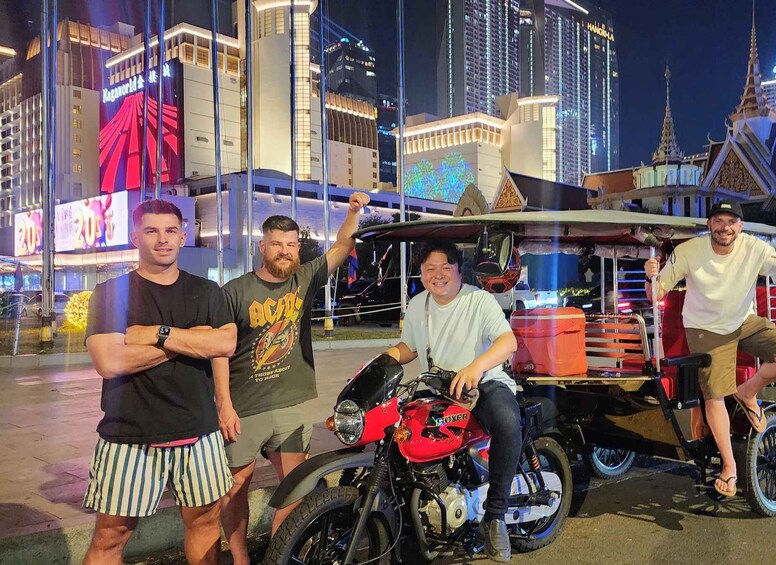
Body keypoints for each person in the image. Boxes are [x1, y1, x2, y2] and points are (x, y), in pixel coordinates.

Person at [218, 192, 370, 565]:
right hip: (245, 408)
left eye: (290, 245)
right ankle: (239, 558)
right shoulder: (234, 291)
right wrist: (224, 404)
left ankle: (278, 553)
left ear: (298, 248)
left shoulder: (304, 279)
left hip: (291, 404)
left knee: (296, 486)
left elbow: (342, 245)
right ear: (262, 247)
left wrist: (353, 212)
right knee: (235, 488)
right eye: (276, 245)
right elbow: (218, 352)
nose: (284, 251)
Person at [83, 200, 237, 565]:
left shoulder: (207, 290)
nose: (162, 239)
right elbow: (109, 362)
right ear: (135, 237)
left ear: (183, 237)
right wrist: (193, 340)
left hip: (199, 430)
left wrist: (156, 333)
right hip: (129, 434)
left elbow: (225, 344)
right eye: (151, 231)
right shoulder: (111, 293)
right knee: (111, 535)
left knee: (205, 522)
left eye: (170, 231)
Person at [644, 201, 776, 498]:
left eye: (731, 221)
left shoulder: (754, 248)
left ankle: (747, 392)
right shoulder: (690, 251)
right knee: (715, 394)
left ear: (740, 226)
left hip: (744, 321)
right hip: (706, 328)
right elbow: (656, 293)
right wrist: (650, 275)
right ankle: (729, 467)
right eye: (718, 221)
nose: (725, 227)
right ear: (709, 225)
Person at [385, 242, 520, 562]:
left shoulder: (479, 300)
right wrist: (382, 361)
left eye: (446, 267)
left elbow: (508, 341)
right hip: (439, 389)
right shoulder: (418, 304)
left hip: (483, 384)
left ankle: (495, 517)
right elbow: (409, 347)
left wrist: (476, 367)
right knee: (396, 432)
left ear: (460, 270)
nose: (438, 275)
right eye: (430, 269)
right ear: (421, 274)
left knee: (507, 423)